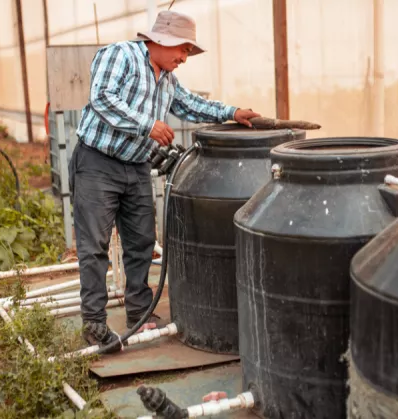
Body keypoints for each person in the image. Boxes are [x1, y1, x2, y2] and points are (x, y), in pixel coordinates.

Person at [69, 10, 261, 347]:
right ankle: (95, 322)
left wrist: (232, 113)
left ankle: (139, 312)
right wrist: (148, 125)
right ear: (161, 40)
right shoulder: (121, 55)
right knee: (94, 246)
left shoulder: (168, 81)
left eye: (187, 51)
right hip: (97, 163)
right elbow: (101, 99)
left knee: (142, 242)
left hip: (135, 166)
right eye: (183, 49)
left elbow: (190, 105)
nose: (185, 58)